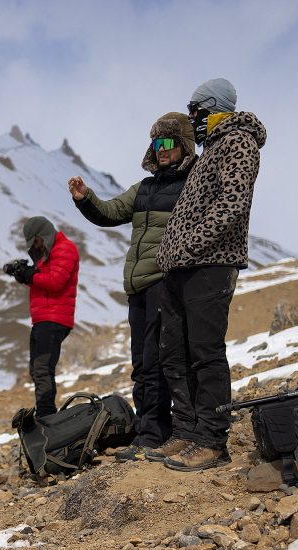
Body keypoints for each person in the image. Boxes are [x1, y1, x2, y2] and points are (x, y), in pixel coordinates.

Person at [146, 77, 266, 471]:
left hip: (210, 265)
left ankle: (212, 441)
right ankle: (186, 431)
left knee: (205, 353)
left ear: (215, 108)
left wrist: (190, 245)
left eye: (196, 110)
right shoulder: (212, 146)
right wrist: (173, 254)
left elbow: (232, 202)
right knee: (175, 353)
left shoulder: (237, 142)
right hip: (182, 267)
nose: (192, 118)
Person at [68, 112, 197, 462]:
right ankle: (148, 431)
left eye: (168, 142)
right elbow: (110, 212)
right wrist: (85, 198)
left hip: (164, 283)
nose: (161, 149)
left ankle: (156, 434)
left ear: (183, 144)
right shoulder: (145, 187)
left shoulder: (193, 184)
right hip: (138, 287)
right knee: (141, 362)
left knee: (158, 361)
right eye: (156, 143)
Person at [7, 216, 80, 417]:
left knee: (42, 368)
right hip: (43, 318)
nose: (36, 246)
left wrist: (30, 274)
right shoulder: (47, 253)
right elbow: (43, 281)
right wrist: (24, 275)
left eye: (36, 241)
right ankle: (46, 413)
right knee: (37, 369)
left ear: (43, 235)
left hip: (54, 318)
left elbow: (55, 282)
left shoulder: (65, 248)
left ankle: (47, 415)